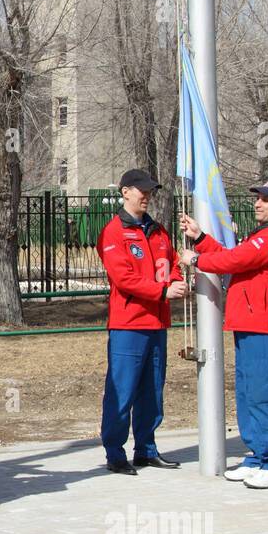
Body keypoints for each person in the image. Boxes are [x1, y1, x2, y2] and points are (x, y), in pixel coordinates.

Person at [179, 176, 268, 488]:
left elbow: (235, 259)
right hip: (248, 323)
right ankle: (257, 456)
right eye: (257, 198)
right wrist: (201, 237)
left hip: (266, 325)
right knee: (248, 394)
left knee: (265, 395)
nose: (258, 203)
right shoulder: (262, 234)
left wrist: (197, 258)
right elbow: (235, 260)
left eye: (266, 199)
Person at [98, 169, 188, 475]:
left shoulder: (158, 231)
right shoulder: (113, 232)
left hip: (157, 324)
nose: (146, 195)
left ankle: (146, 449)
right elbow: (124, 278)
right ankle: (115, 452)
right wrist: (162, 292)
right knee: (122, 390)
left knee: (152, 390)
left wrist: (176, 282)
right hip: (129, 325)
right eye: (141, 190)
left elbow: (172, 264)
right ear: (125, 192)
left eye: (150, 191)